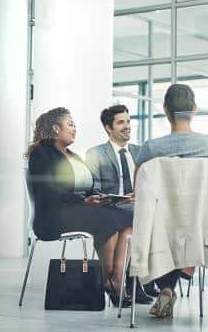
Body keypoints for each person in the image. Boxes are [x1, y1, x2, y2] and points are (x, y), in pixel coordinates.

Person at [26, 107, 133, 307]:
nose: (75, 129)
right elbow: (47, 190)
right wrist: (82, 201)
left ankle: (116, 279)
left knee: (128, 218)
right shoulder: (42, 153)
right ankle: (105, 281)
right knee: (107, 220)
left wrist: (104, 198)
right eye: (70, 124)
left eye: (75, 125)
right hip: (54, 216)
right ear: (56, 128)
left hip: (78, 210)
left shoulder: (72, 155)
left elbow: (87, 186)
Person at [134, 83, 208, 318]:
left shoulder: (150, 147)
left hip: (161, 228)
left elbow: (139, 190)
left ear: (165, 110)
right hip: (199, 226)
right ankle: (182, 272)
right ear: (194, 109)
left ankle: (164, 287)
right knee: (183, 230)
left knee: (165, 228)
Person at [85, 105, 155, 304]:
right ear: (108, 128)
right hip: (113, 208)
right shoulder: (96, 153)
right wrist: (125, 199)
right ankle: (125, 282)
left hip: (137, 207)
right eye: (121, 122)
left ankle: (119, 281)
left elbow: (151, 183)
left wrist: (141, 196)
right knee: (128, 221)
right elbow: (94, 189)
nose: (127, 126)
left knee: (137, 221)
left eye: (128, 121)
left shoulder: (140, 152)